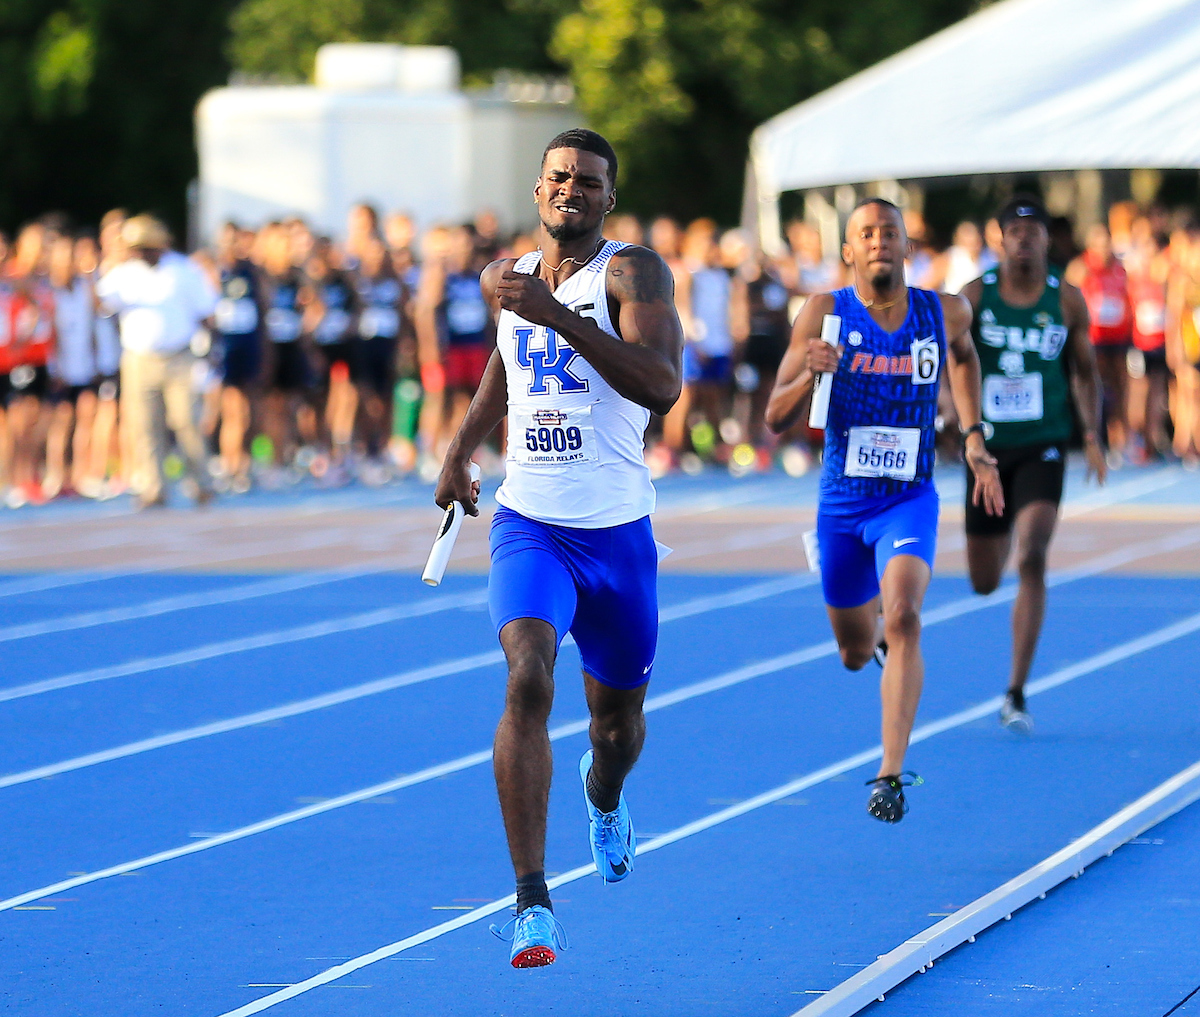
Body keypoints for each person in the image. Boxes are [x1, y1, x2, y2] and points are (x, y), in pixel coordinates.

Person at [433, 128, 683, 967]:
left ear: (608, 197)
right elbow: (504, 369)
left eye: (588, 179)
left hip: (615, 534)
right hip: (530, 521)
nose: (570, 188)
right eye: (558, 176)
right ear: (537, 190)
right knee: (528, 673)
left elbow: (662, 384)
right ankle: (532, 898)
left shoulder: (631, 271)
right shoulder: (505, 279)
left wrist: (557, 318)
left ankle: (604, 796)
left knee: (617, 731)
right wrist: (461, 447)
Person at [766, 197, 1003, 822]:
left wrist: (974, 436)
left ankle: (889, 773)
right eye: (865, 234)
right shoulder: (824, 312)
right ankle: (867, 633)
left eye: (888, 232)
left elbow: (965, 356)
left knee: (904, 618)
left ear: (906, 247)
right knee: (853, 651)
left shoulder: (942, 310)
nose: (878, 242)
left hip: (908, 497)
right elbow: (773, 417)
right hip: (842, 505)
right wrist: (806, 374)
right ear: (848, 251)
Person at [959, 197, 1105, 735]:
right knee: (982, 580)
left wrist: (1090, 433)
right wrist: (959, 420)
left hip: (1045, 441)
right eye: (1014, 231)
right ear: (999, 239)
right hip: (987, 450)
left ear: (1048, 240)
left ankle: (1016, 690)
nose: (1024, 239)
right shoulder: (976, 296)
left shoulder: (1066, 300)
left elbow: (1085, 371)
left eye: (1033, 231)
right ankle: (997, 553)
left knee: (1034, 555)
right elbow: (955, 364)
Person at [97, 215, 217, 508]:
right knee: (144, 425)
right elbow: (101, 304)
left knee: (187, 421)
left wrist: (210, 349)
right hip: (139, 357)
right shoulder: (123, 273)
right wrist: (108, 264)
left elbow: (206, 312)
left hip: (179, 356)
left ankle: (200, 482)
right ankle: (153, 487)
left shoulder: (184, 270)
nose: (142, 254)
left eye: (147, 247)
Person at [1067, 224, 1132, 455]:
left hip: (1118, 338)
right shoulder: (1080, 268)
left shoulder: (1120, 268)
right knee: (1093, 386)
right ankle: (1093, 436)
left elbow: (1129, 298)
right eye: (1099, 245)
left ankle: (1120, 440)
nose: (1104, 250)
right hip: (1092, 338)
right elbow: (1067, 299)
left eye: (1107, 244)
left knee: (1120, 389)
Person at [213, 222, 265, 492]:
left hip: (249, 344)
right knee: (230, 410)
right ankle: (228, 463)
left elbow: (263, 310)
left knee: (249, 410)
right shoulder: (213, 270)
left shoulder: (251, 271)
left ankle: (245, 463)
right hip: (226, 346)